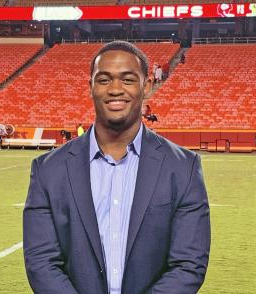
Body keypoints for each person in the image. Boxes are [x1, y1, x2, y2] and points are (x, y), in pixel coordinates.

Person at [23, 40, 210, 294]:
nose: (115, 89)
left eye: (128, 79)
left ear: (146, 85)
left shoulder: (183, 167)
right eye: (104, 79)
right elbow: (41, 263)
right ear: (90, 87)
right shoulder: (48, 170)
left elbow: (188, 265)